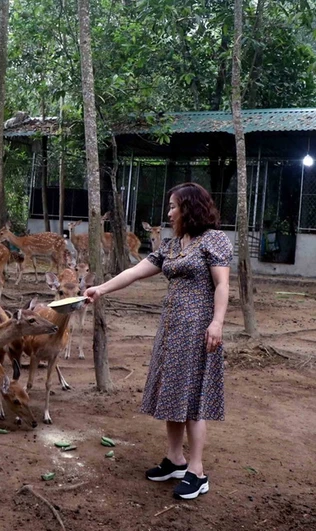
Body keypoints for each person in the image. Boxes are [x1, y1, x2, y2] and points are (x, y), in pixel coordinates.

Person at [84, 182, 232, 500]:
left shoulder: (214, 240)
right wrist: (101, 289)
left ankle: (197, 471)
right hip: (171, 330)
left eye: (173, 206)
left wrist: (217, 322)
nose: (168, 212)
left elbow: (222, 285)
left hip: (199, 330)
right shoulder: (173, 245)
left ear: (189, 208)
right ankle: (175, 459)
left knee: (193, 400)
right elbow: (137, 271)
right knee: (172, 394)